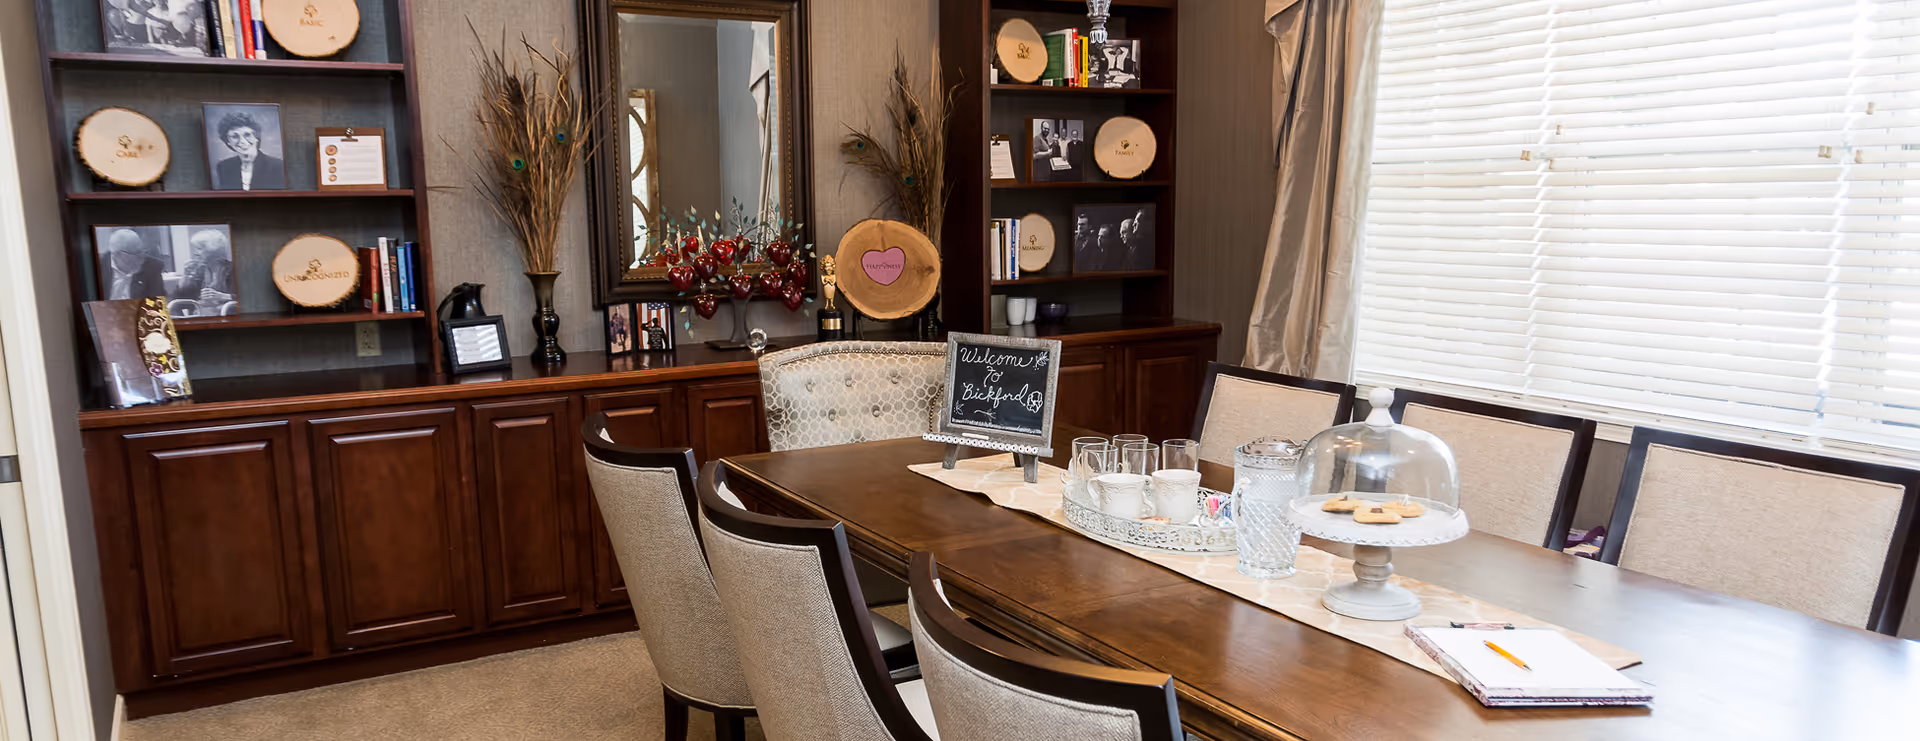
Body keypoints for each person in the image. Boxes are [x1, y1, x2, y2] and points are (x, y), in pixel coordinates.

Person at [211, 111, 286, 191]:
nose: (242, 141)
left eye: (247, 135)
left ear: (256, 137)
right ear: (228, 142)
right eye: (234, 136)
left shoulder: (278, 166)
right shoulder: (223, 167)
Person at [173, 228, 234, 316]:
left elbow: (248, 299)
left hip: (225, 314)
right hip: (201, 314)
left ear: (213, 250)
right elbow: (179, 299)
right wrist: (185, 276)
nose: (195, 253)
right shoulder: (199, 271)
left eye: (199, 249)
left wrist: (222, 296)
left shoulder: (232, 269)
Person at [103, 228, 165, 301]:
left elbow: (157, 306)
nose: (141, 259)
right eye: (134, 253)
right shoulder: (98, 268)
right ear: (116, 255)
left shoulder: (152, 268)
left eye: (142, 251)